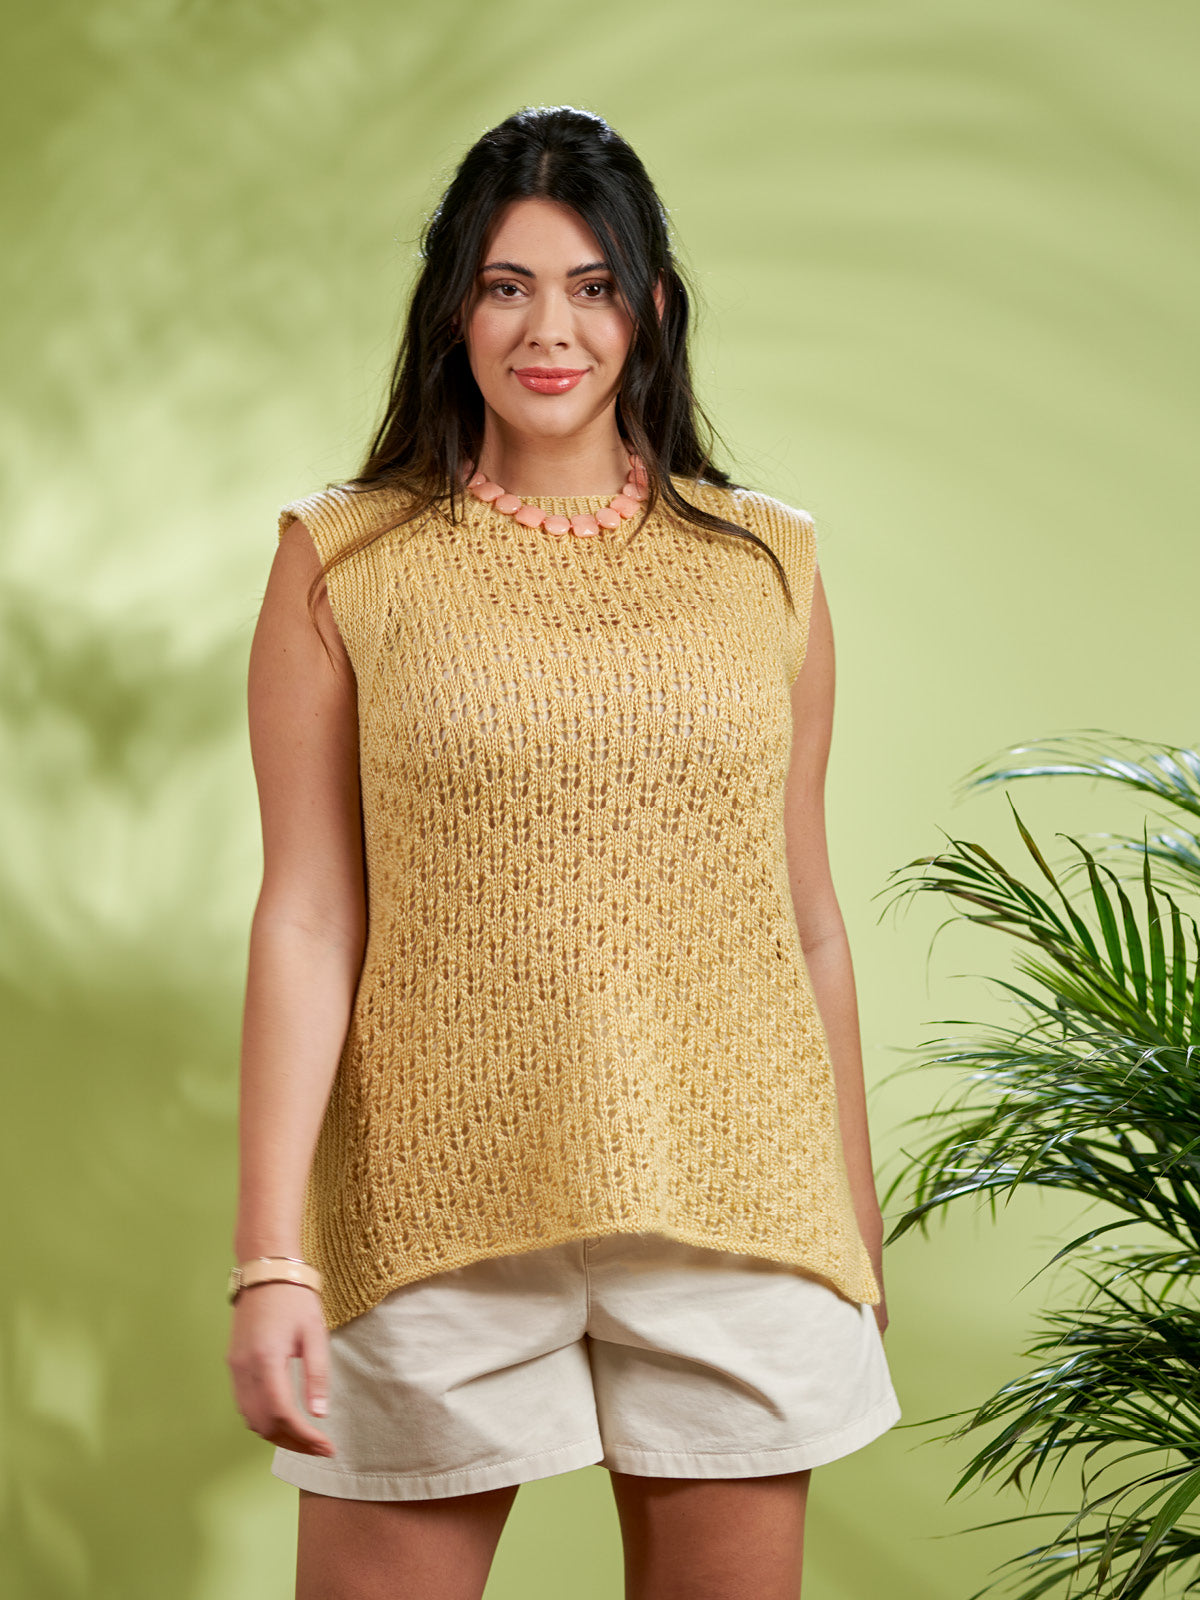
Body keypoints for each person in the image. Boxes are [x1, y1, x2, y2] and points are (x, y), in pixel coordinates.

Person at [226, 103, 901, 1600]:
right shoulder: (343, 557)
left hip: (739, 1211)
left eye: (592, 287)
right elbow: (310, 916)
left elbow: (807, 915)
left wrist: (850, 1221)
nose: (551, 330)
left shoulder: (767, 562)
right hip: (432, 1210)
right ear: (452, 307)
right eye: (507, 285)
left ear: (649, 307)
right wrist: (272, 1254)